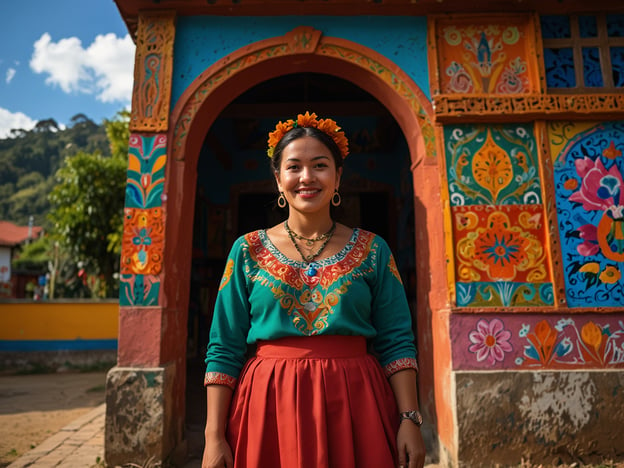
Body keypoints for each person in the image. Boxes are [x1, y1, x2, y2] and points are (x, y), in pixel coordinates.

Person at [202, 112, 426, 468]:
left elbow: (396, 340)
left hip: (356, 402)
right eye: (294, 167)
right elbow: (224, 346)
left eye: (320, 166)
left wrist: (409, 419)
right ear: (278, 179)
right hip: (268, 404)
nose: (307, 177)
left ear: (338, 177)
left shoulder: (373, 250)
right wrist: (213, 436)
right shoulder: (247, 251)